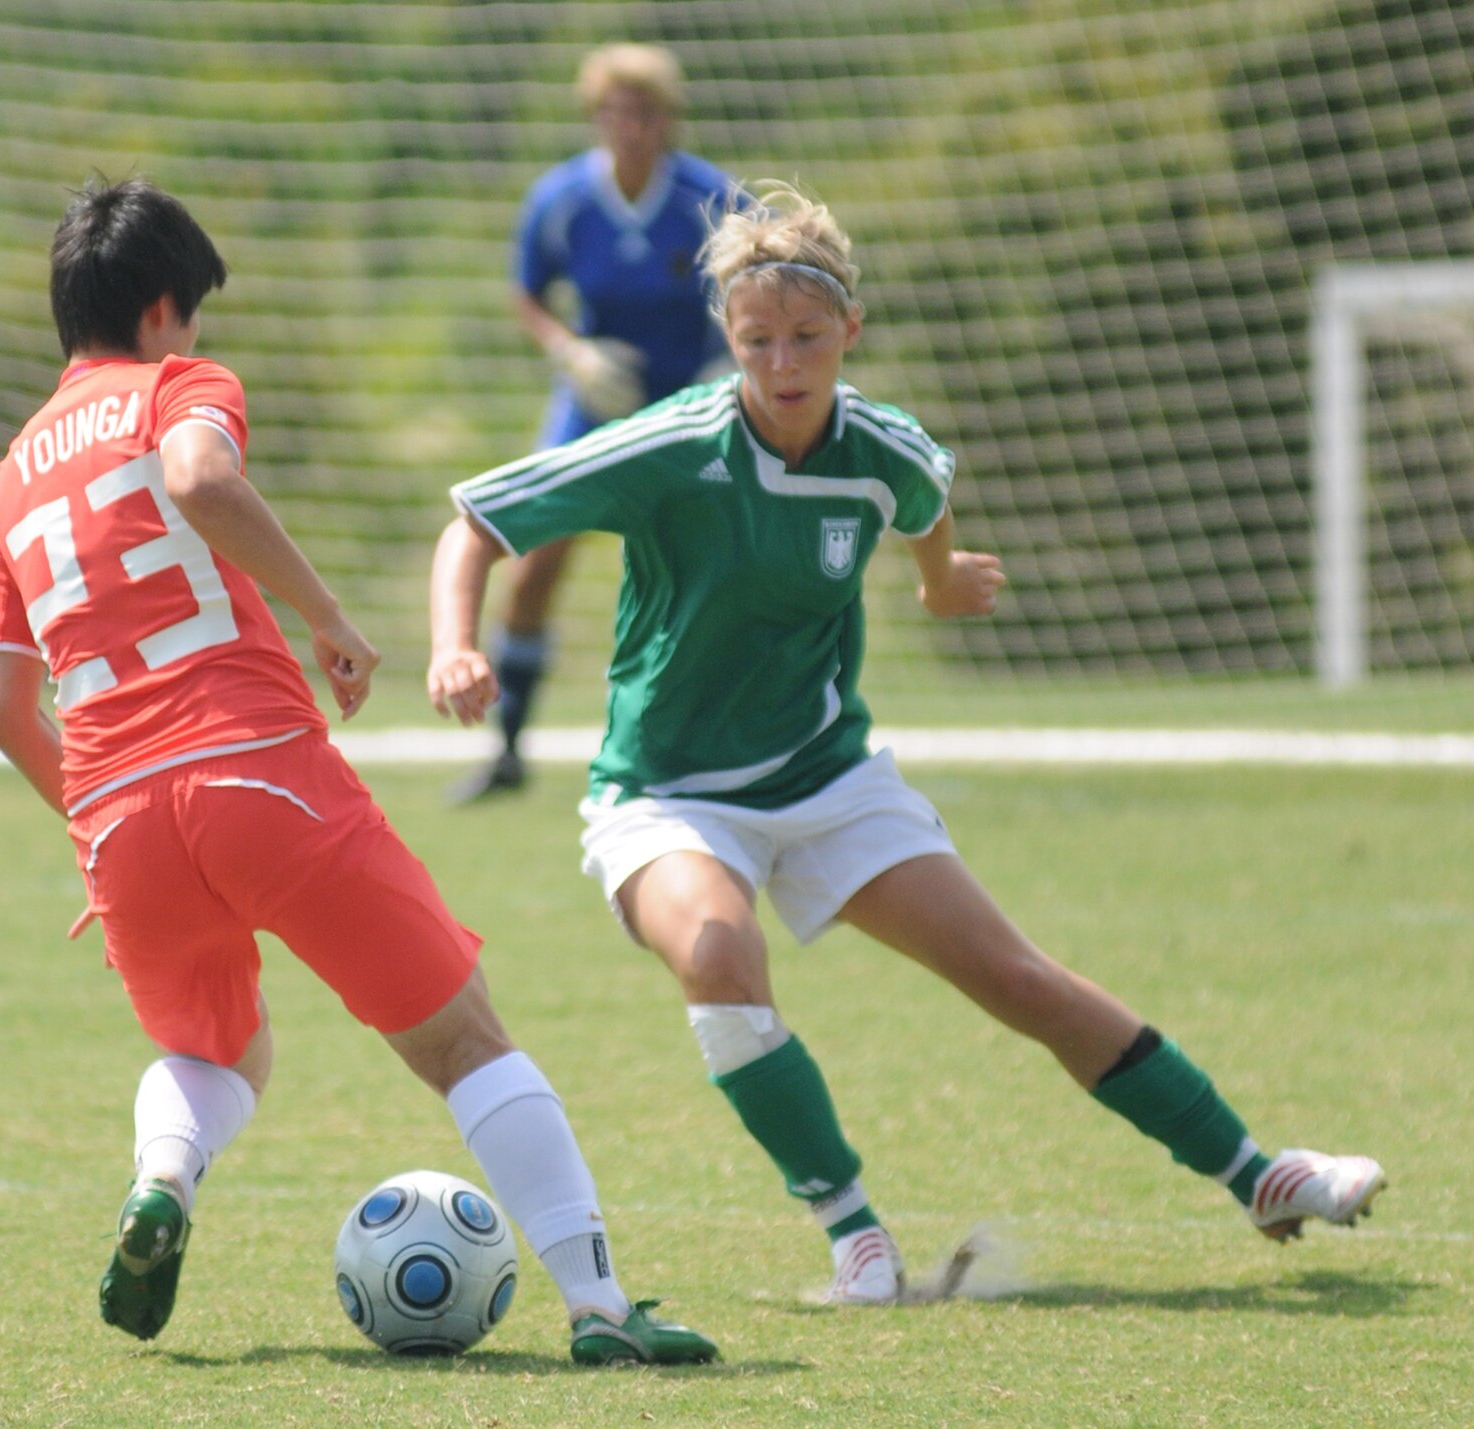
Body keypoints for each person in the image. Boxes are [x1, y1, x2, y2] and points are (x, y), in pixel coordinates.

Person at [427, 182, 1386, 1304]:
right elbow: (475, 526)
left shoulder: (891, 451)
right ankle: (854, 1235)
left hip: (828, 778)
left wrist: (941, 583)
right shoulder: (669, 445)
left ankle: (1257, 1173)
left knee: (1016, 978)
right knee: (718, 957)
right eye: (754, 340)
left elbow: (924, 512)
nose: (781, 362)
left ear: (849, 332)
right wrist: (455, 647)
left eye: (805, 337)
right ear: (726, 341)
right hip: (665, 792)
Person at [0, 177, 717, 1364]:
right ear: (165, 307)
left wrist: (99, 819)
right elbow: (200, 479)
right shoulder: (180, 386)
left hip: (116, 815)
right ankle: (598, 1306)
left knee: (217, 1051)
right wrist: (329, 620)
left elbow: (6, 706)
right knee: (462, 1038)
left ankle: (162, 1181)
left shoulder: (13, 471)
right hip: (252, 767)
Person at [452, 42, 743, 802]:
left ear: (668, 119)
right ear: (596, 117)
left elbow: (763, 278)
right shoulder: (561, 199)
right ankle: (508, 748)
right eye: (616, 111)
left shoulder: (710, 198)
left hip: (690, 405)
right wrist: (572, 352)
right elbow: (527, 294)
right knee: (536, 559)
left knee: (713, 565)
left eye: (646, 112)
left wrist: (730, 363)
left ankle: (721, 744)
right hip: (595, 406)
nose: (631, 126)